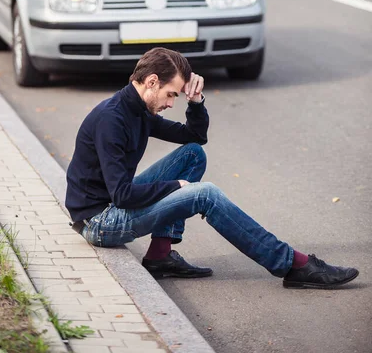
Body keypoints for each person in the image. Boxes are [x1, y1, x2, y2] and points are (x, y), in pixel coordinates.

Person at [66, 48, 359, 288]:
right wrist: (175, 187)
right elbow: (122, 196)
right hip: (100, 223)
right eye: (172, 95)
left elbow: (195, 138)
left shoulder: (139, 111)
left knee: (192, 155)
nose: (171, 103)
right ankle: (292, 264)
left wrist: (195, 103)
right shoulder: (112, 119)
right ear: (152, 81)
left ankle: (160, 256)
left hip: (114, 206)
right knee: (205, 194)